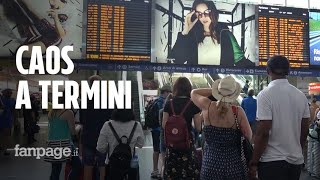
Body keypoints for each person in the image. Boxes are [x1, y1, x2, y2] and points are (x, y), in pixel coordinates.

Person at [249, 55, 310, 180]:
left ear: (268, 71)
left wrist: (254, 161)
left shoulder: (265, 95)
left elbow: (264, 132)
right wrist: (296, 149)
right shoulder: (301, 96)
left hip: (272, 162)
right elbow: (305, 129)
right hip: (295, 162)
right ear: (288, 71)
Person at [191, 76, 252, 180]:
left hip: (210, 165)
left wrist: (217, 91)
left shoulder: (207, 106)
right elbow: (248, 136)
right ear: (233, 94)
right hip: (233, 166)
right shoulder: (238, 112)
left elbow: (193, 93)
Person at [169, 0, 254, 66]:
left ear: (213, 12)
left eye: (207, 12)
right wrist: (185, 31)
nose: (203, 17)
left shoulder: (225, 34)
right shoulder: (191, 35)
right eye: (199, 14)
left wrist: (262, 68)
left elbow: (241, 61)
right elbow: (177, 60)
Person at [162, 77, 202, 179]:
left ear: (176, 88)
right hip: (187, 144)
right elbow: (198, 128)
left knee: (172, 173)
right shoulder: (193, 104)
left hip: (172, 144)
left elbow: (164, 125)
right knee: (188, 172)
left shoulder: (169, 103)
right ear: (189, 88)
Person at [80, 75, 113, 180]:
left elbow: (82, 121)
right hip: (103, 139)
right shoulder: (108, 101)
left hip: (88, 138)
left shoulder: (84, 101)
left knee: (88, 166)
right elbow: (110, 121)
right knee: (102, 166)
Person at [96, 109, 144, 180]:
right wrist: (132, 143)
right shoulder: (136, 125)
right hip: (130, 164)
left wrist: (111, 146)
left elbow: (100, 147)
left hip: (112, 165)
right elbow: (140, 144)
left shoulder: (108, 125)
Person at [44, 92, 76, 180]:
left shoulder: (51, 112)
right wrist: (79, 127)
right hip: (64, 143)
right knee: (78, 165)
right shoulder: (68, 112)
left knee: (55, 169)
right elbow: (73, 131)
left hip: (52, 143)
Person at [150, 85, 171, 179]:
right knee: (163, 151)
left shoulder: (155, 100)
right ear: (165, 92)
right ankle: (163, 171)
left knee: (156, 150)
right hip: (161, 130)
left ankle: (155, 170)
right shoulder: (164, 103)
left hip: (154, 129)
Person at [158, 93, 173, 179]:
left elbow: (161, 125)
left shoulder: (161, 111)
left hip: (163, 137)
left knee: (164, 162)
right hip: (174, 139)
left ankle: (162, 174)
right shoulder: (176, 112)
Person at [0, 89, 16, 156]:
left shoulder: (5, 100)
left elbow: (13, 111)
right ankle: (4, 149)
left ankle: (4, 148)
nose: (10, 94)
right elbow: (14, 111)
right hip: (6, 120)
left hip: (6, 120)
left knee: (5, 135)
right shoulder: (11, 101)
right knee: (6, 136)